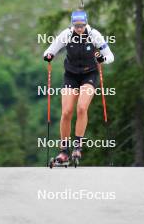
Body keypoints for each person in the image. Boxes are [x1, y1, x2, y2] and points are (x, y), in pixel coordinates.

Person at [43, 10, 114, 163]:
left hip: (90, 75)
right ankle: (63, 151)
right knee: (67, 111)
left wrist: (103, 58)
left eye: (82, 25)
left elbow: (110, 56)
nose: (79, 28)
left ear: (86, 23)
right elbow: (50, 50)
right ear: (72, 24)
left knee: (82, 108)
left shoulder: (94, 35)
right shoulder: (66, 34)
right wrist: (48, 56)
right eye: (76, 26)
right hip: (71, 75)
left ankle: (78, 146)